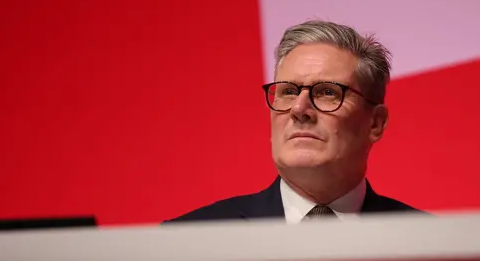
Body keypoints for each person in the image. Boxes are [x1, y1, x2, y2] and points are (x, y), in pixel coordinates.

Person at [166, 20, 422, 224]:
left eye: (327, 92)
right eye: (288, 92)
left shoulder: (428, 243)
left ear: (375, 123)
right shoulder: (188, 239)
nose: (299, 109)